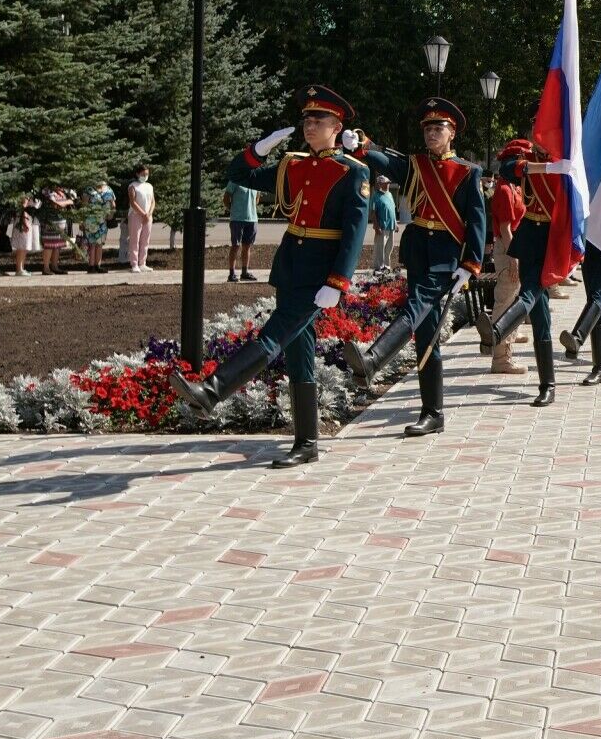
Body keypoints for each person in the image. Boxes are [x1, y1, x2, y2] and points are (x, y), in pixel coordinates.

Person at [169, 85, 369, 467]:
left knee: (274, 335)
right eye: (306, 119)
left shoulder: (352, 172)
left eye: (319, 120)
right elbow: (239, 173)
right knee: (298, 352)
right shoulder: (291, 165)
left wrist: (338, 281)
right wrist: (262, 147)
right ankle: (307, 442)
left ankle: (211, 391)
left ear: (336, 126)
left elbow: (355, 231)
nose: (310, 125)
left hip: (318, 276)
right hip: (291, 265)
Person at [345, 97, 487, 436]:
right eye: (427, 128)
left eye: (438, 128)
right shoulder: (416, 165)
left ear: (452, 134)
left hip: (446, 256)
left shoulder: (468, 172)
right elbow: (386, 162)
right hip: (419, 250)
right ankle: (433, 412)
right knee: (426, 333)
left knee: (417, 305)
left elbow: (477, 221)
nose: (431, 133)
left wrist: (471, 263)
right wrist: (362, 147)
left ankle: (374, 358)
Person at [477, 139, 567, 405]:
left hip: (553, 238)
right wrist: (547, 168)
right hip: (529, 237)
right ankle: (547, 385)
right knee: (540, 317)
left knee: (530, 290)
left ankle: (497, 330)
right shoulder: (529, 158)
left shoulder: (569, 155)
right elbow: (505, 169)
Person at [485, 154, 528, 375]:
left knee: (510, 300)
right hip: (507, 248)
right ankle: (501, 358)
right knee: (505, 302)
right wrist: (514, 259)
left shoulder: (511, 186)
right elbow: (505, 229)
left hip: (512, 246)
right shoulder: (503, 189)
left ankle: (506, 346)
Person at [81, 179, 115, 274]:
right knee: (92, 244)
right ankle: (91, 266)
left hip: (102, 221)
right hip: (90, 221)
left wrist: (110, 215)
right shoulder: (88, 190)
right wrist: (82, 221)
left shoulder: (109, 190)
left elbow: (113, 204)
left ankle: (98, 265)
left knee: (100, 244)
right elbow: (84, 206)